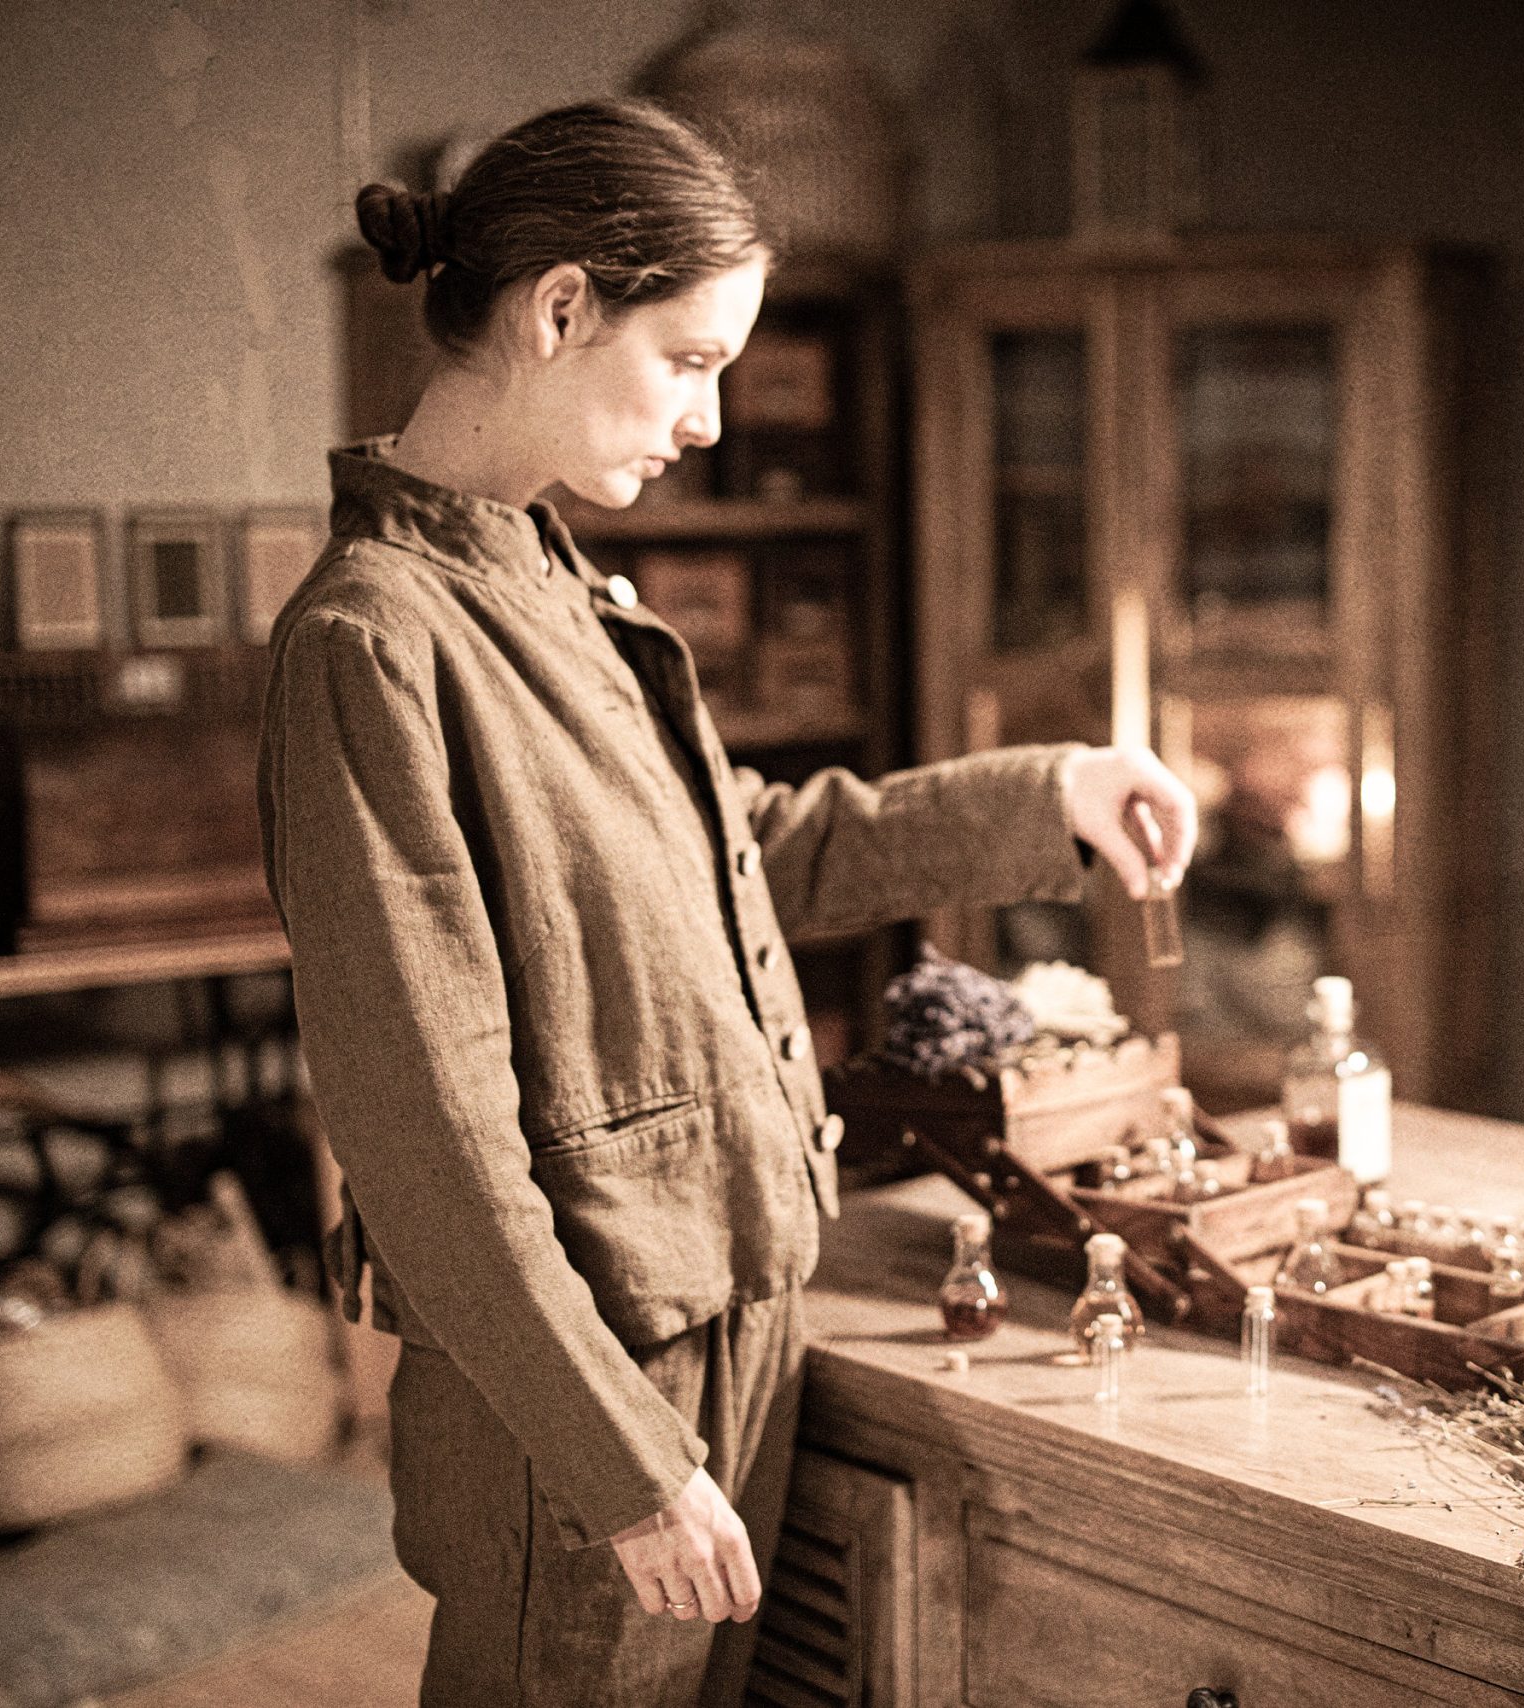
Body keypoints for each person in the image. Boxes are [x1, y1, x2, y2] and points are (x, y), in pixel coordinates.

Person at [256, 97, 1195, 1707]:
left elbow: (748, 848)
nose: (709, 421)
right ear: (561, 309)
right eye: (688, 360)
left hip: (731, 1296)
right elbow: (428, 1140)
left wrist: (1046, 796)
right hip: (580, 1370)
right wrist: (621, 1460)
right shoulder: (374, 643)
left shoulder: (554, 582)